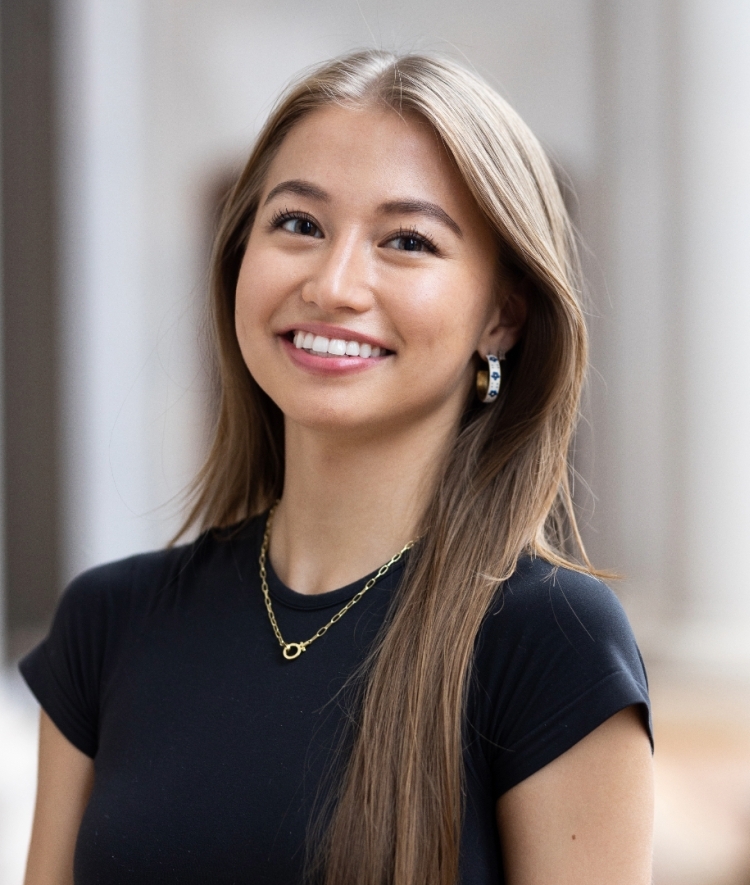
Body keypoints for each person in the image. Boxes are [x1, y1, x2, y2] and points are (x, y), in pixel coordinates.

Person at [20, 50, 654, 885]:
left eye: (406, 240)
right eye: (299, 224)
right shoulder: (108, 626)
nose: (334, 283)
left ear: (500, 317)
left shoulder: (550, 643)